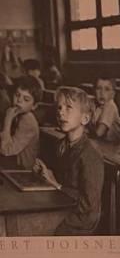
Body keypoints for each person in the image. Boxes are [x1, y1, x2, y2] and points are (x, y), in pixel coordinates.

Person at [33, 86, 104, 235]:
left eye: (68, 107)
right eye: (59, 107)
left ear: (85, 119)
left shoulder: (90, 155)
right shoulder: (61, 144)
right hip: (62, 204)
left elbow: (88, 205)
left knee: (35, 227)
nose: (61, 112)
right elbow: (60, 177)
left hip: (80, 219)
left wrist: (57, 185)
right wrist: (45, 173)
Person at [0, 76, 41, 168]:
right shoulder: (16, 114)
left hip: (21, 169)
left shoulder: (28, 121)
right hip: (11, 163)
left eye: (26, 99)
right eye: (17, 95)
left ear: (34, 106)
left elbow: (6, 150)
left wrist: (7, 120)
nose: (19, 100)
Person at [90, 76, 120, 143]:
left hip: (113, 146)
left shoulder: (110, 106)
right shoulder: (93, 103)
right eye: (98, 88)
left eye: (107, 89)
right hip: (100, 143)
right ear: (93, 91)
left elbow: (99, 133)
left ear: (113, 94)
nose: (102, 93)